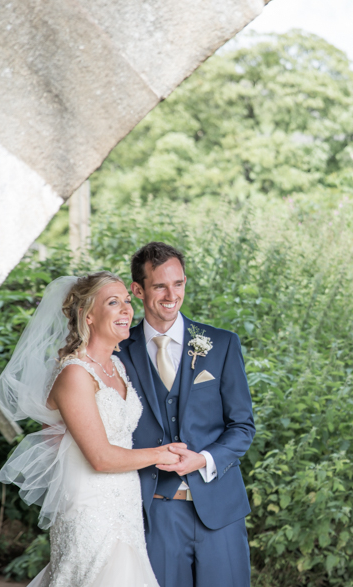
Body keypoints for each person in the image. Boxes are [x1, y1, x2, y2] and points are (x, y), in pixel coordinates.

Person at [0, 272, 185, 586]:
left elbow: (59, 435)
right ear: (89, 317)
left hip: (123, 499)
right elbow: (100, 458)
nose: (127, 309)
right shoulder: (74, 374)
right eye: (114, 302)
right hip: (90, 505)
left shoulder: (117, 367)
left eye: (127, 300)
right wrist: (161, 454)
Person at [116, 242, 255, 587]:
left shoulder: (221, 344)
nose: (171, 294)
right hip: (153, 510)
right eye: (160, 285)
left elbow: (242, 426)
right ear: (138, 289)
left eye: (178, 283)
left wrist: (203, 459)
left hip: (219, 508)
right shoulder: (117, 351)